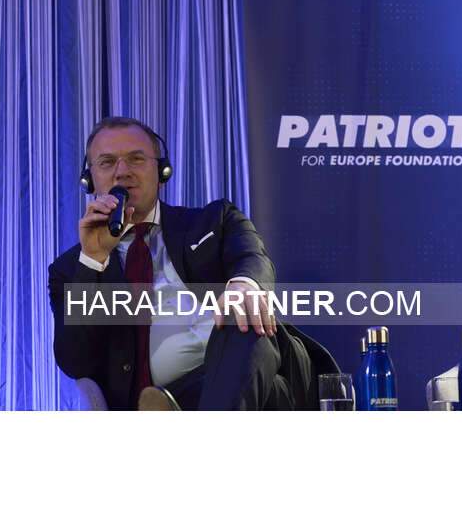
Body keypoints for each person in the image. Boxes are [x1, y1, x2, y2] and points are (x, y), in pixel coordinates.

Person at [48, 117, 339, 410]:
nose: (122, 171)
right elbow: (76, 362)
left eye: (136, 159)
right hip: (208, 396)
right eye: (107, 162)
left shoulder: (215, 220)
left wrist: (243, 286)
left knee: (244, 314)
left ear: (162, 172)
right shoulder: (71, 268)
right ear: (89, 180)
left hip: (245, 359)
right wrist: (93, 260)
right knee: (271, 392)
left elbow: (252, 257)